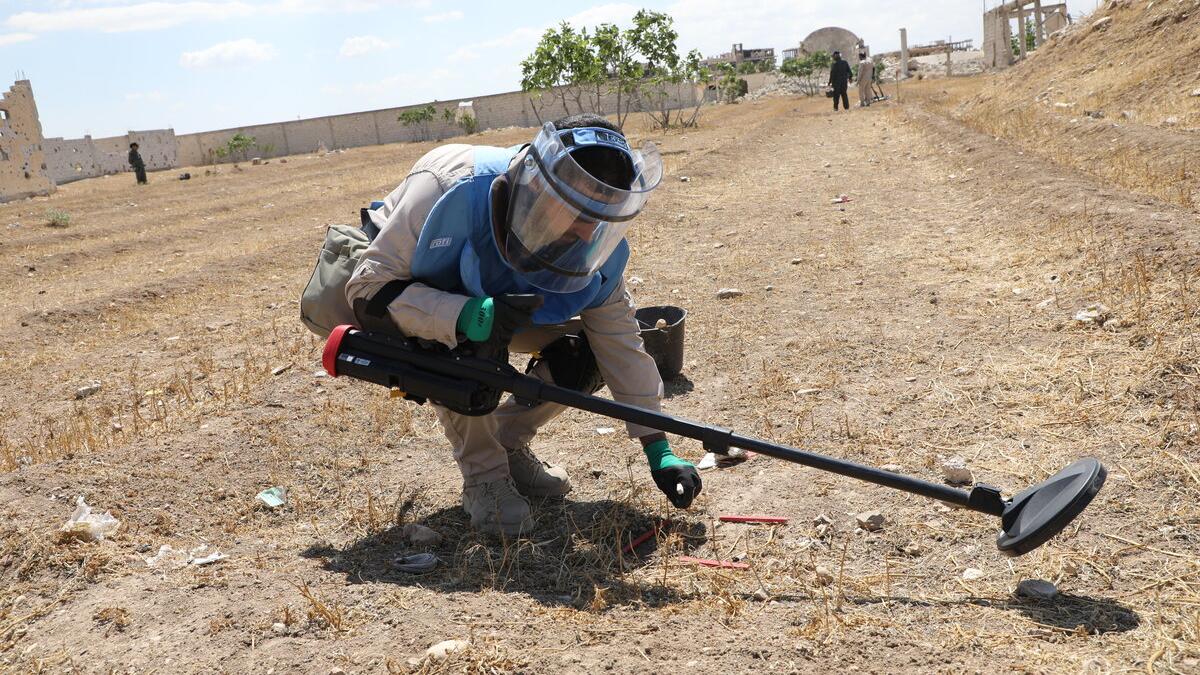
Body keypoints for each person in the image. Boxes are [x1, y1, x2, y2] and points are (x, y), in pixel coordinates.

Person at [344, 113, 702, 535]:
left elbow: (620, 343)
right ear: (539, 186)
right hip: (415, 302)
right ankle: (486, 479)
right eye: (578, 214)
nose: (589, 236)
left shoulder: (594, 245)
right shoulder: (446, 187)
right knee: (472, 350)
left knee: (586, 351)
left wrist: (657, 446)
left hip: (505, 309)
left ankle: (507, 441)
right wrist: (464, 316)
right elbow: (367, 289)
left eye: (600, 219)